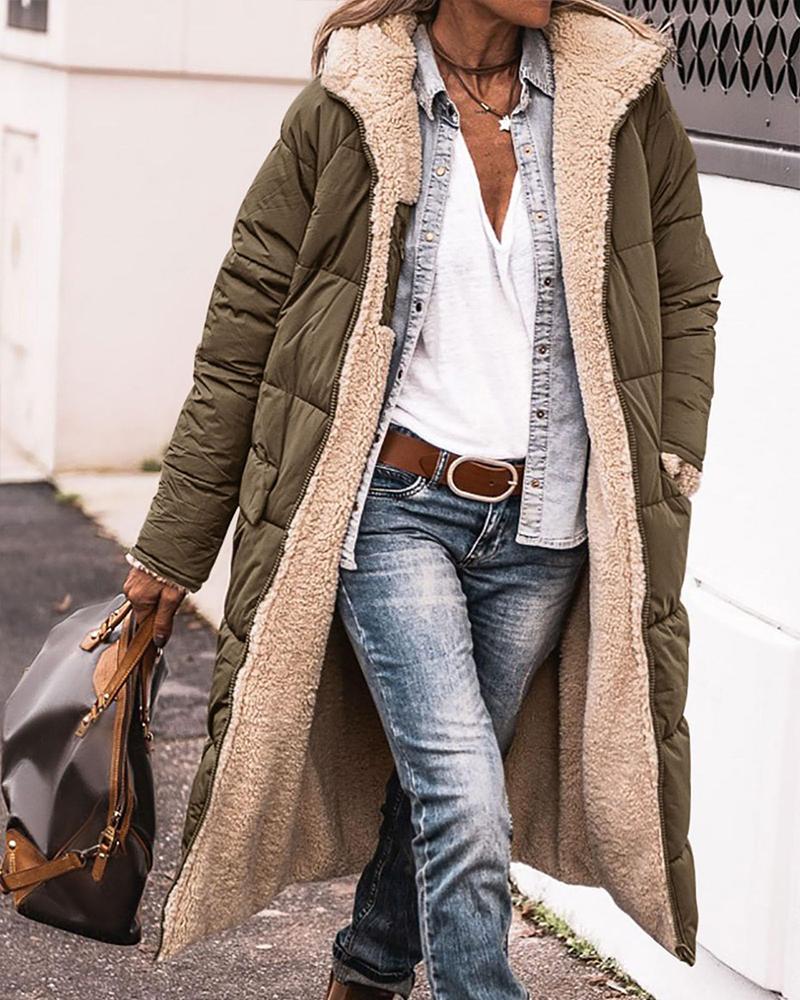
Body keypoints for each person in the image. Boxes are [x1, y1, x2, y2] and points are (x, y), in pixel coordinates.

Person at [123, 1, 723, 998]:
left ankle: (368, 967)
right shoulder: (352, 102)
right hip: (395, 507)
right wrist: (170, 548)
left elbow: (686, 286)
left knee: (442, 786)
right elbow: (244, 325)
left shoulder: (614, 99)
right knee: (466, 797)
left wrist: (669, 450)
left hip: (543, 523)